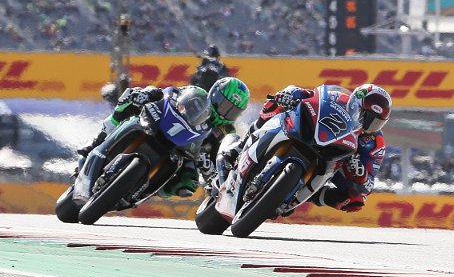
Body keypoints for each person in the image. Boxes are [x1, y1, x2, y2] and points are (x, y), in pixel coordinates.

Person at [236, 83, 391, 213]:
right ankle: (243, 144)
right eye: (365, 116)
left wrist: (360, 172)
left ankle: (297, 194)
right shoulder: (338, 98)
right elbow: (311, 95)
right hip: (315, 133)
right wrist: (292, 94)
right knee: (279, 101)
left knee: (355, 200)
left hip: (336, 158)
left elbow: (368, 186)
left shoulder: (375, 144)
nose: (368, 126)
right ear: (354, 103)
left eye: (376, 122)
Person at [76, 85, 212, 198]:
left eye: (196, 111)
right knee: (128, 99)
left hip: (169, 143)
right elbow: (157, 92)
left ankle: (144, 192)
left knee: (182, 173)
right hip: (150, 123)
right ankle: (98, 140)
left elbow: (198, 149)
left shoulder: (202, 130)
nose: (193, 111)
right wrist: (142, 95)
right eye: (192, 106)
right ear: (185, 99)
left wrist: (198, 156)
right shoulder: (172, 95)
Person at [193, 76, 251, 186]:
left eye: (232, 111)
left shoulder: (228, 131)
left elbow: (219, 164)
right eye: (224, 105)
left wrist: (208, 167)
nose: (223, 114)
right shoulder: (197, 97)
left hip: (190, 164)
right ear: (214, 94)